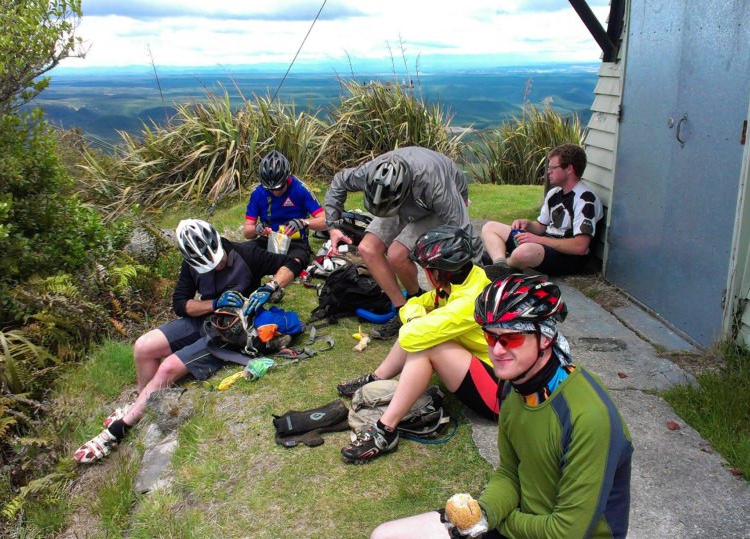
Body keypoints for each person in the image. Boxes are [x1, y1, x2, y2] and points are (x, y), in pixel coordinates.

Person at [371, 274, 633, 539]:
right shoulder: (513, 386)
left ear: (545, 337)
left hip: (558, 534)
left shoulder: (588, 418)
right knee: (385, 534)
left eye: (511, 339)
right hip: (524, 523)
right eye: (490, 336)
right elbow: (510, 472)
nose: (496, 351)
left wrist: (496, 521)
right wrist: (484, 514)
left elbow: (567, 532)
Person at [73, 219, 298, 464]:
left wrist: (271, 286)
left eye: (218, 260)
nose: (217, 265)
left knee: (168, 367)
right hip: (204, 318)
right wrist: (214, 303)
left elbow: (295, 258)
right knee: (143, 346)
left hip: (231, 330)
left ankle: (116, 432)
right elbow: (181, 304)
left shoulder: (246, 253)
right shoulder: (190, 265)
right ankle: (141, 401)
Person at [336, 225, 497, 463]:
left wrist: (415, 321)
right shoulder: (463, 280)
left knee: (426, 343)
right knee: (422, 333)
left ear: (440, 271)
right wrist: (415, 319)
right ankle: (376, 379)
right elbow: (416, 302)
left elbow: (412, 333)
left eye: (427, 269)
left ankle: (385, 429)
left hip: (498, 395)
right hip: (484, 369)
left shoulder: (469, 300)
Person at [322, 146, 477, 340]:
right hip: (396, 199)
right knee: (367, 248)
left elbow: (462, 228)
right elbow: (339, 181)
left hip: (434, 204)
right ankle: (404, 309)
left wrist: (480, 278)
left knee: (397, 254)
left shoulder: (435, 185)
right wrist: (333, 226)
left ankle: (420, 301)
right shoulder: (372, 172)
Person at [481, 143, 603, 277]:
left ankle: (503, 265)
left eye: (552, 167)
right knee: (490, 227)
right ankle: (500, 265)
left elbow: (580, 247)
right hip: (544, 246)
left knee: (524, 252)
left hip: (568, 258)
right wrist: (527, 224)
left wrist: (538, 240)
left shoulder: (585, 199)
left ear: (569, 169)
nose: (548, 171)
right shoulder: (554, 194)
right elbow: (541, 227)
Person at [243, 150, 326, 281]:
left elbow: (325, 220)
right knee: (241, 251)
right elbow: (247, 232)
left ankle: (272, 286)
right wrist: (257, 229)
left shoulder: (300, 189)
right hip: (268, 241)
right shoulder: (258, 193)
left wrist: (304, 222)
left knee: (296, 261)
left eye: (280, 187)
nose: (275, 192)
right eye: (270, 189)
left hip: (295, 243)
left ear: (287, 177)